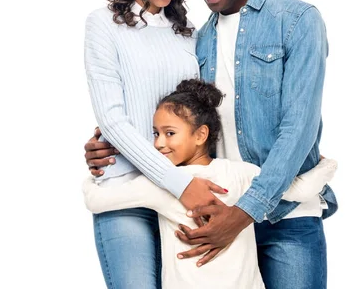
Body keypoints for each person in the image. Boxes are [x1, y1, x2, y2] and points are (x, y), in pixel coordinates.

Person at [84, 0, 338, 289]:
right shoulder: (200, 37)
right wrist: (109, 141)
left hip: (262, 212)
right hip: (201, 203)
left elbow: (297, 129)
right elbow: (162, 114)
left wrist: (246, 210)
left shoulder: (294, 21)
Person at [83, 0, 227, 289]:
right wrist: (177, 182)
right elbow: (113, 121)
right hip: (127, 193)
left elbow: (202, 114)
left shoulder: (190, 35)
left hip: (187, 191)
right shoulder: (103, 25)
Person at [82, 79, 337, 289]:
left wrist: (97, 171)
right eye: (156, 133)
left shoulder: (157, 185)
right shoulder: (241, 174)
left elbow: (95, 200)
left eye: (170, 133)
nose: (159, 143)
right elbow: (301, 189)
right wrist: (327, 165)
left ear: (201, 134)